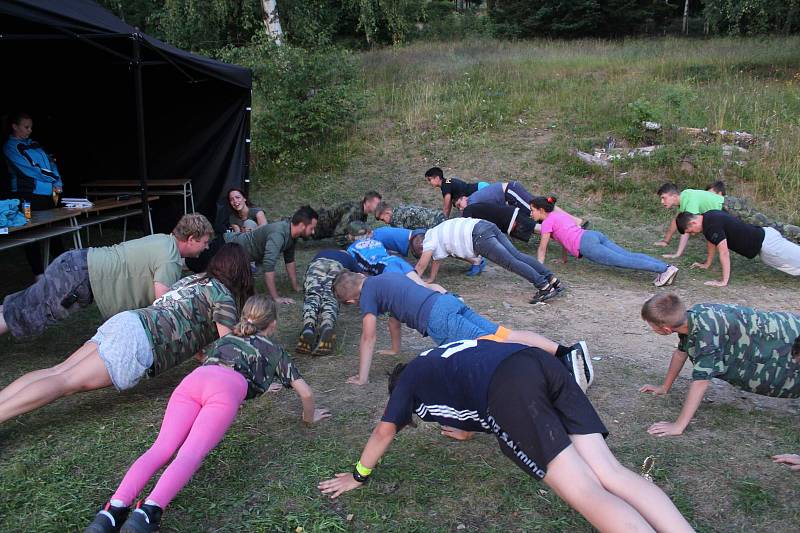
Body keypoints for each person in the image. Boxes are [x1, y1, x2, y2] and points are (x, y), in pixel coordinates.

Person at [318, 339, 693, 533]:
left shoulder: (408, 384)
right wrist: (467, 431)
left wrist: (358, 475)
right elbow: (467, 388)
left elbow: (384, 431)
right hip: (537, 363)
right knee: (611, 472)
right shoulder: (436, 359)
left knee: (586, 491)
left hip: (511, 388)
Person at [85, 294, 330, 533]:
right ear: (273, 324)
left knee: (161, 448)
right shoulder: (275, 351)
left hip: (193, 382)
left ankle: (112, 511)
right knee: (190, 453)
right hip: (223, 393)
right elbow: (306, 394)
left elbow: (225, 361)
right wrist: (309, 418)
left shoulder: (228, 338)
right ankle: (147, 513)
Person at [0, 243, 253, 426]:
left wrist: (196, 349)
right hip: (139, 340)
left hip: (128, 321)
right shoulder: (225, 297)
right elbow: (227, 347)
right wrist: (246, 382)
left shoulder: (195, 280)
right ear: (241, 272)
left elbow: (178, 312)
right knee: (66, 383)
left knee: (58, 371)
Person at [332, 271, 592, 389]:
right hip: (446, 301)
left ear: (350, 300)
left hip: (439, 320)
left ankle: (554, 371)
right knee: (505, 335)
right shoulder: (386, 276)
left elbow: (368, 336)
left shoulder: (367, 294)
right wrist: (395, 349)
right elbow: (395, 318)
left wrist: (363, 377)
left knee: (491, 351)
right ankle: (566, 352)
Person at [0, 213, 214, 338]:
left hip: (76, 264)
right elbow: (163, 305)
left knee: (24, 303)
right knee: (22, 316)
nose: (205, 248)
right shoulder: (170, 257)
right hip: (79, 279)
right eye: (204, 243)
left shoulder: (163, 240)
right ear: (192, 238)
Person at [639, 293, 800, 437]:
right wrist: (664, 387)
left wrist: (678, 426)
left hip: (788, 337)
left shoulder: (706, 337)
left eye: (651, 325)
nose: (650, 327)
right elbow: (681, 352)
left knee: (786, 375)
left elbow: (701, 382)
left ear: (666, 329)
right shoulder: (696, 314)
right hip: (786, 326)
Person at [531, 196, 678, 287]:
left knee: (624, 261)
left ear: (542, 210)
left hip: (586, 245)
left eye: (533, 210)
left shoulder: (546, 224)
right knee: (628, 255)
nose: (531, 213)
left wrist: (540, 270)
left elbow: (542, 248)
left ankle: (664, 270)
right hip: (592, 235)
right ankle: (666, 267)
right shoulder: (558, 216)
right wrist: (563, 259)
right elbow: (564, 237)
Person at [411, 218, 562, 304]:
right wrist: (431, 278)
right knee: (517, 255)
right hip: (485, 225)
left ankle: (544, 286)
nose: (425, 255)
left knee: (510, 262)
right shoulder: (436, 233)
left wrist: (412, 280)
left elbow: (421, 265)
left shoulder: (428, 240)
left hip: (479, 237)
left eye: (422, 252)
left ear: (421, 246)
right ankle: (552, 280)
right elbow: (436, 261)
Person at [655, 182, 799, 257]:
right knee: (767, 229)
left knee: (770, 226)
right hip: (727, 210)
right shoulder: (684, 200)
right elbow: (677, 221)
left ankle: (796, 234)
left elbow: (686, 229)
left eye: (664, 197)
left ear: (673, 195)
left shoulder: (689, 199)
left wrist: (678, 253)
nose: (662, 202)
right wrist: (666, 241)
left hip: (731, 207)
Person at [3, 111, 65, 275]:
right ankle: (38, 274)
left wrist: (57, 182)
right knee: (31, 232)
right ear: (15, 127)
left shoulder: (35, 144)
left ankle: (64, 266)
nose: (30, 130)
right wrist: (51, 183)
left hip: (47, 196)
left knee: (53, 230)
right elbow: (31, 170)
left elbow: (51, 162)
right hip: (27, 197)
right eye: (26, 127)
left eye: (31, 127)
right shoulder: (11, 147)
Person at [223, 205, 318, 304]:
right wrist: (276, 298)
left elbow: (289, 260)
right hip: (226, 246)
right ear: (302, 225)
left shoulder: (292, 234)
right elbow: (268, 265)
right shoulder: (278, 234)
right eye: (312, 228)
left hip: (236, 252)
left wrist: (295, 286)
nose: (313, 232)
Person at [676, 210, 800, 284]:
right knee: (794, 268)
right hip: (764, 246)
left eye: (690, 231)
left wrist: (723, 281)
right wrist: (707, 263)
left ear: (693, 222)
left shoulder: (711, 225)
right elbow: (711, 242)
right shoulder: (708, 216)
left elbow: (724, 252)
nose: (692, 234)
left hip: (769, 244)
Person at [346, 222, 446, 293]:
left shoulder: (352, 249)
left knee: (412, 290)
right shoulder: (375, 241)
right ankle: (449, 295)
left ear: (351, 237)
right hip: (396, 260)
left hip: (386, 268)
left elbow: (359, 271)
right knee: (422, 285)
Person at [296, 249, 359, 356]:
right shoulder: (350, 258)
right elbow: (359, 276)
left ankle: (308, 326)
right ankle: (327, 325)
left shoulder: (322, 252)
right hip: (337, 268)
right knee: (331, 297)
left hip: (317, 264)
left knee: (313, 296)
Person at [313, 191, 383, 247]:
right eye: (377, 204)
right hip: (316, 226)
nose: (378, 207)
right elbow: (338, 235)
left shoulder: (362, 212)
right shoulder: (353, 212)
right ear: (368, 203)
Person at [460, 201, 538, 244]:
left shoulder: (468, 209)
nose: (460, 209)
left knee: (537, 228)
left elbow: (466, 226)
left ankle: (550, 229)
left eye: (458, 205)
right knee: (535, 229)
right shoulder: (475, 206)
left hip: (509, 217)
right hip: (509, 218)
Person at [424, 167, 488, 218]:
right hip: (481, 186)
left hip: (480, 190)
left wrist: (442, 221)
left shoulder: (445, 186)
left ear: (437, 178)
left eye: (430, 179)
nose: (429, 183)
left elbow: (447, 207)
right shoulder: (447, 182)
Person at [374, 201, 446, 229]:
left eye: (383, 219)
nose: (385, 222)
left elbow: (401, 237)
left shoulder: (396, 219)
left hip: (436, 225)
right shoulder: (399, 209)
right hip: (439, 216)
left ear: (388, 213)